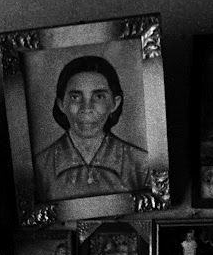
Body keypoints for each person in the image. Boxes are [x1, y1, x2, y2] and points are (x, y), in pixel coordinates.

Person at [32, 56, 148, 202]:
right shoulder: (39, 168)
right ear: (61, 104)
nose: (86, 109)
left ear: (115, 103)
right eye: (75, 97)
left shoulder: (141, 164)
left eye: (99, 96)